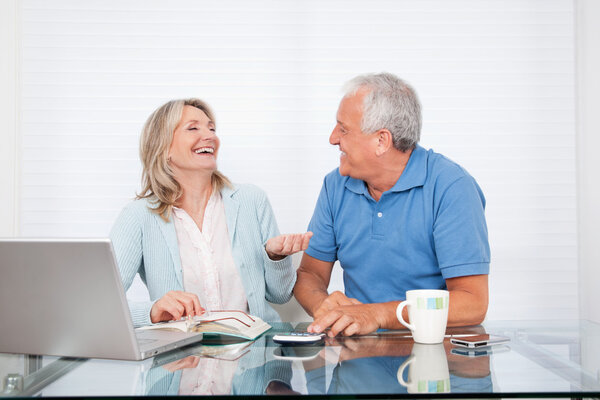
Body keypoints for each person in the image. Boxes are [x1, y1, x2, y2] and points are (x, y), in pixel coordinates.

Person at [294, 72, 490, 337]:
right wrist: (322, 304)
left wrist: (379, 314)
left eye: (343, 129)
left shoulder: (452, 187)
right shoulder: (335, 186)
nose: (333, 138)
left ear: (381, 141)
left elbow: (472, 303)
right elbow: (309, 274)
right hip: (357, 358)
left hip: (430, 357)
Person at [110, 98, 312, 327]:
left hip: (254, 353)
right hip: (183, 358)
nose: (210, 136)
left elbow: (281, 294)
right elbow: (101, 303)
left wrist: (276, 258)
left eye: (212, 128)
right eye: (193, 128)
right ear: (164, 147)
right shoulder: (138, 216)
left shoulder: (252, 201)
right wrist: (152, 310)